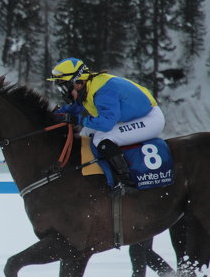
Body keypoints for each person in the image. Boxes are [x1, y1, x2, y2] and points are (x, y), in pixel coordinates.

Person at [47, 57, 165, 191]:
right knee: (85, 133)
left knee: (102, 139)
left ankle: (126, 182)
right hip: (134, 117)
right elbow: (75, 108)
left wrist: (79, 120)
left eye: (64, 87)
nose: (63, 92)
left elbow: (106, 124)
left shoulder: (102, 91)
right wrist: (54, 115)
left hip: (150, 119)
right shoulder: (87, 86)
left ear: (77, 83)